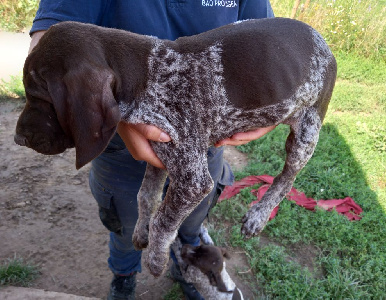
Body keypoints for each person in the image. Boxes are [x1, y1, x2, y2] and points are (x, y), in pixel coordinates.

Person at [28, 1, 275, 299]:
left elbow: (267, 45)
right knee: (127, 228)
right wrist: (118, 115)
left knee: (192, 216)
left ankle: (187, 263)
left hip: (205, 142)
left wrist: (271, 108)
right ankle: (124, 275)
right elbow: (50, 47)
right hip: (123, 147)